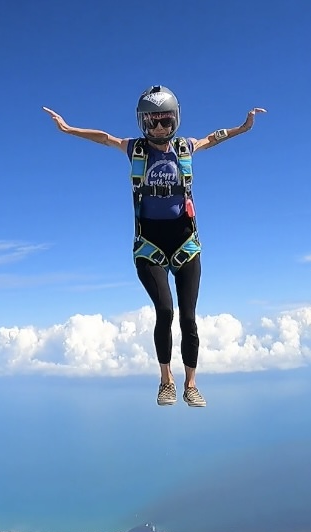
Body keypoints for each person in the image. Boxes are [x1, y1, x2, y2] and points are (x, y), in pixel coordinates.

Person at [42, 86, 266, 407]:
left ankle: (191, 384)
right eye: (152, 122)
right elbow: (105, 138)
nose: (158, 128)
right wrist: (68, 128)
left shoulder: (184, 147)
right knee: (165, 311)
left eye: (164, 121)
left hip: (186, 242)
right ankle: (166, 381)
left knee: (188, 318)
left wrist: (242, 128)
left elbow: (212, 138)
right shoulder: (136, 149)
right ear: (142, 123)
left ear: (175, 120)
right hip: (149, 244)